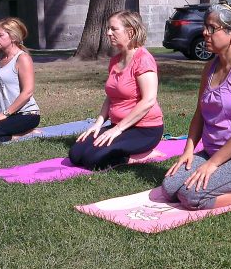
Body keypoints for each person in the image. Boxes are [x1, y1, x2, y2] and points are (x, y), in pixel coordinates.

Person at [162, 2, 231, 210]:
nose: (205, 32)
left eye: (212, 28)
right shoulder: (210, 67)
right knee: (169, 188)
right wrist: (188, 150)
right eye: (205, 26)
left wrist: (212, 164)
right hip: (215, 152)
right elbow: (200, 113)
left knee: (191, 197)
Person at [69, 11, 164, 170]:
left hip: (145, 129)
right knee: (76, 154)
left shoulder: (143, 60)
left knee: (94, 159)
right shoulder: (115, 60)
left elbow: (148, 100)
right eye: (108, 28)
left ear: (130, 32)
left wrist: (117, 130)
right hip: (119, 125)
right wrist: (98, 124)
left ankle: (143, 155)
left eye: (114, 29)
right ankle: (117, 144)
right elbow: (111, 96)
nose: (108, 33)